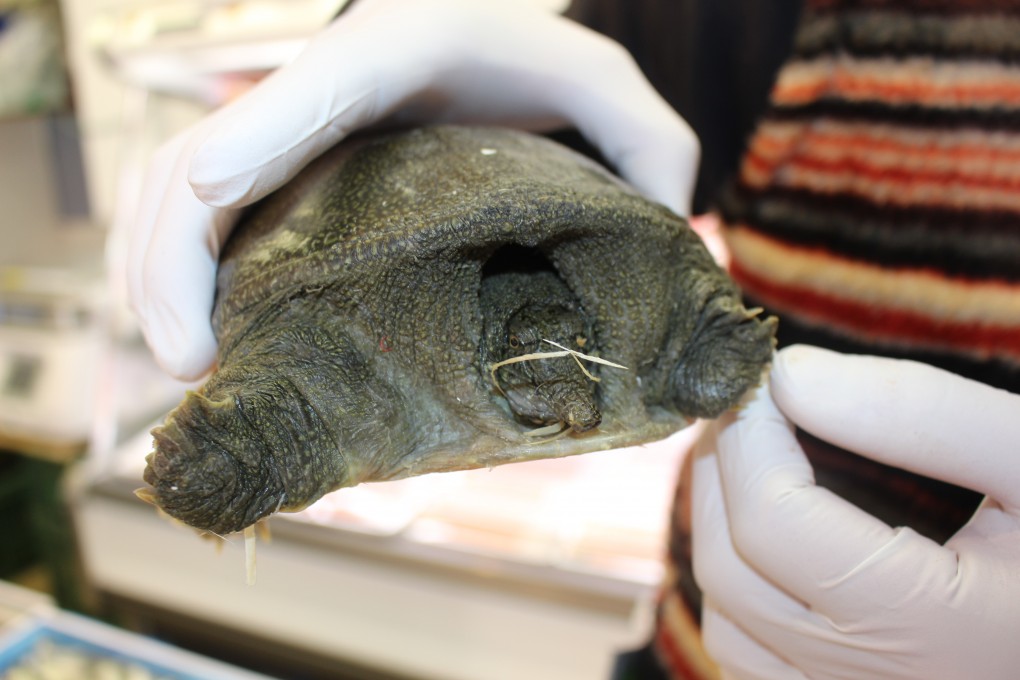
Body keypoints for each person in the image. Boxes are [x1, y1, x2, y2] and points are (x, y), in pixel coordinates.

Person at [125, 1, 1020, 678]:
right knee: (231, 464)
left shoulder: (636, 318)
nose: (573, 397)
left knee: (713, 359)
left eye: (575, 355)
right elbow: (523, 71)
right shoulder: (758, 18)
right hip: (707, 638)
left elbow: (707, 326)